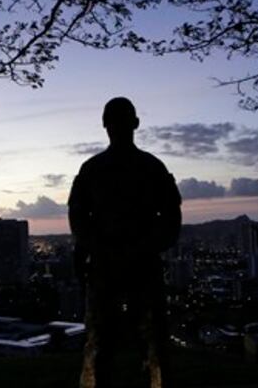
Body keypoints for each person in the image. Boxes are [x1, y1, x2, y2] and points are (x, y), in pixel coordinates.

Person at [69, 97, 182, 388]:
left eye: (120, 121)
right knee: (107, 343)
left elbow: (170, 218)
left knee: (132, 342)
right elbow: (79, 219)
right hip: (119, 264)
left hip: (127, 264)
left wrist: (108, 250)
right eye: (115, 121)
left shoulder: (100, 168)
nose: (117, 127)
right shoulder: (143, 167)